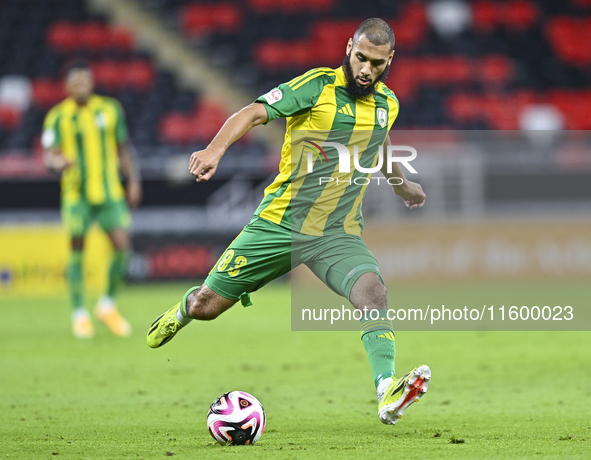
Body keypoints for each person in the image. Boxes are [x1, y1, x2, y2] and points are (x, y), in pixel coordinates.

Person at [147, 18, 431, 426]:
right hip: (279, 226)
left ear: (390, 60)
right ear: (349, 47)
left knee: (373, 293)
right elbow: (253, 112)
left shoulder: (388, 104)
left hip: (337, 233)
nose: (366, 69)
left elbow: (380, 142)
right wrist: (214, 150)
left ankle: (387, 389)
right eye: (360, 58)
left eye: (376, 63)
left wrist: (402, 186)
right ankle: (183, 310)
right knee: (207, 307)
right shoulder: (316, 86)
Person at [42, 60, 142, 339]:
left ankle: (107, 305)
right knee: (77, 249)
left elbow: (123, 148)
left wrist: (133, 180)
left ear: (92, 82)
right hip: (77, 196)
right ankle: (79, 314)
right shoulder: (57, 117)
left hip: (109, 192)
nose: (81, 86)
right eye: (76, 82)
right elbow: (49, 156)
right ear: (67, 85)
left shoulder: (110, 110)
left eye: (86, 81)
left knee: (123, 246)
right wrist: (58, 162)